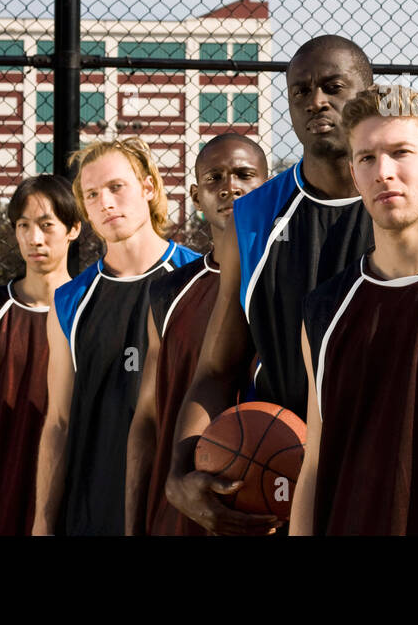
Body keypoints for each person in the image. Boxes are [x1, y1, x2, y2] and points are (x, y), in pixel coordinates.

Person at [167, 36, 418, 535]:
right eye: (300, 91)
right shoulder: (252, 220)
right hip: (278, 476)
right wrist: (180, 469)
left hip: (416, 471)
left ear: (367, 91)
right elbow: (216, 368)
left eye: (332, 86)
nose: (315, 101)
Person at [291, 85, 418, 536]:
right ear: (354, 174)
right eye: (367, 158)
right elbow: (315, 462)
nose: (383, 173)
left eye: (400, 152)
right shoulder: (325, 309)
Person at [32, 137, 201, 536]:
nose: (105, 202)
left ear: (148, 188)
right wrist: (42, 523)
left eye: (116, 187)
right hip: (92, 510)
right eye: (91, 195)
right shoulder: (69, 300)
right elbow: (58, 422)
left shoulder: (199, 278)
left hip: (179, 508)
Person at [124, 133, 269, 535]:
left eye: (244, 175)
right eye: (215, 178)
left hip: (267, 495)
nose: (230, 187)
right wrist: (134, 523)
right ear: (195, 194)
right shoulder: (169, 292)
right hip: (182, 504)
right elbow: (149, 416)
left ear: (268, 184)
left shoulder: (286, 278)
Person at [0, 175, 80, 535]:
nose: (33, 238)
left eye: (46, 225)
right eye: (23, 226)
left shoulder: (91, 309)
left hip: (70, 503)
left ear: (74, 229)